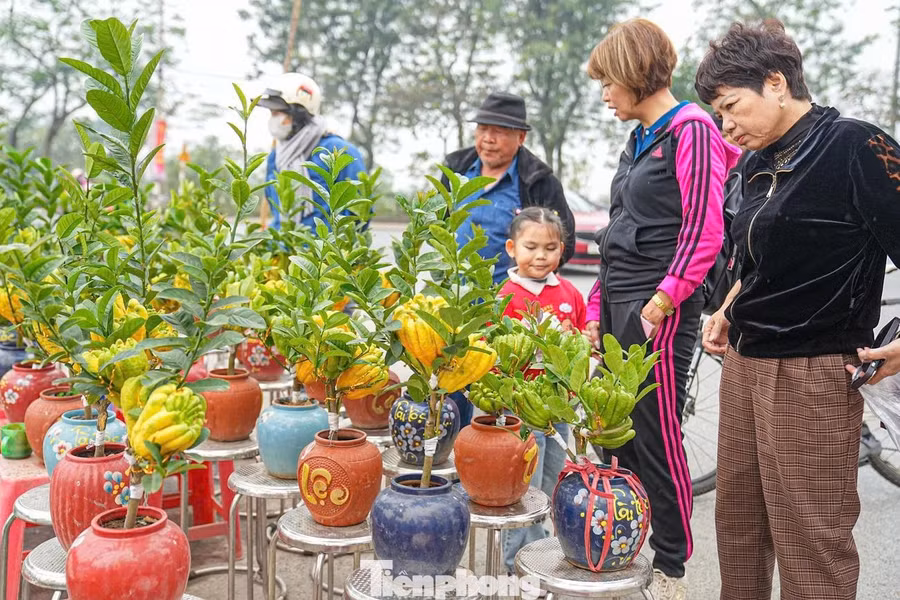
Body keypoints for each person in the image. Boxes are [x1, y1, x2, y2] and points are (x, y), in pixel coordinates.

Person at [695, 20, 900, 600]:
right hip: (744, 365)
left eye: (733, 106)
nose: (727, 125)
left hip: (814, 370)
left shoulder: (857, 146)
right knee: (739, 528)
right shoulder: (753, 163)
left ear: (777, 82)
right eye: (719, 114)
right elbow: (757, 261)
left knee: (812, 539)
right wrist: (727, 308)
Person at [584, 18, 741, 600]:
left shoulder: (692, 129)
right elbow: (618, 230)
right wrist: (599, 310)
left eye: (607, 81)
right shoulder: (639, 138)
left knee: (655, 434)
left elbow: (705, 228)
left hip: (660, 303)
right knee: (612, 431)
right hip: (619, 298)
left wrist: (664, 299)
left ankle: (672, 566)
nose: (603, 93)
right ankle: (620, 545)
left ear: (632, 72)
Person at [443, 91, 576, 427]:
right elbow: (437, 226)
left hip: (510, 313)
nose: (488, 139)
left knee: (501, 402)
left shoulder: (539, 181)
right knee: (449, 392)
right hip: (458, 305)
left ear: (521, 137)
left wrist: (529, 284)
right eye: (482, 128)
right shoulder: (455, 169)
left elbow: (564, 241)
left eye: (500, 131)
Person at [496, 206, 583, 574]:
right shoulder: (506, 295)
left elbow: (580, 344)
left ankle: (540, 548)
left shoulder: (569, 293)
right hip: (522, 411)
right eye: (531, 247)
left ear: (561, 249)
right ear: (512, 248)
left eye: (550, 247)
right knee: (523, 485)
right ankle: (516, 560)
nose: (541, 255)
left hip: (558, 409)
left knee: (549, 479)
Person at [259, 72, 367, 230]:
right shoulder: (276, 156)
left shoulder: (339, 151)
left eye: (277, 113)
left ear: (298, 113)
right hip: (286, 249)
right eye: (271, 113)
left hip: (324, 251)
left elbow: (360, 212)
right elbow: (278, 215)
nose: (273, 119)